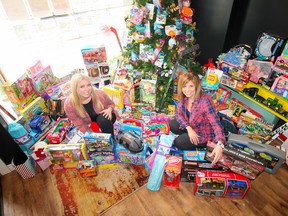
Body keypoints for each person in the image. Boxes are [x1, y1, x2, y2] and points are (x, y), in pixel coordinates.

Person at [169, 72, 226, 164]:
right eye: (184, 86)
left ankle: (200, 145)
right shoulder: (184, 97)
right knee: (172, 124)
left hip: (203, 133)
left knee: (178, 142)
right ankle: (188, 133)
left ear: (196, 86)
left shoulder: (204, 100)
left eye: (191, 86)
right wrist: (188, 128)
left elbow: (216, 123)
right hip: (191, 126)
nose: (187, 90)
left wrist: (219, 144)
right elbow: (178, 115)